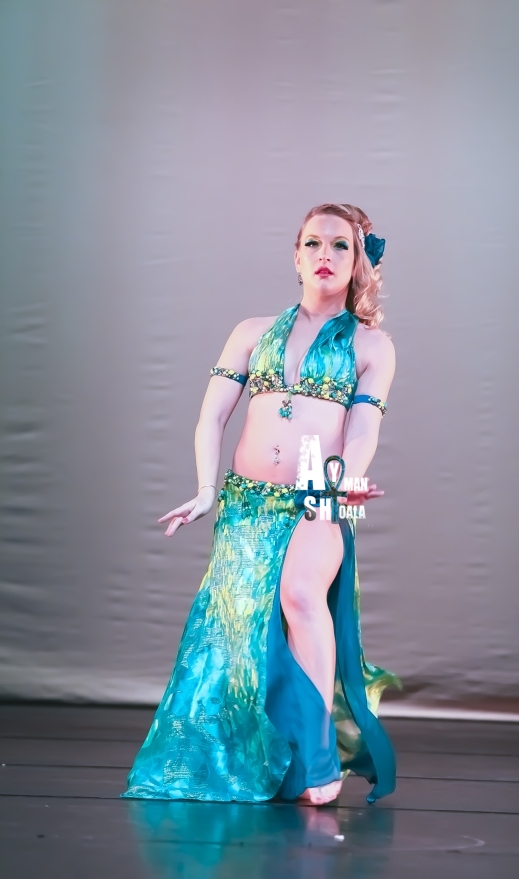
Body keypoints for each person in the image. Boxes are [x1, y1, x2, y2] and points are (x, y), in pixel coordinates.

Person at [122, 203, 398, 807]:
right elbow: (211, 416)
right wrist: (205, 490)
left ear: (357, 262)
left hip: (318, 496)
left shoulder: (372, 345)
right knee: (238, 637)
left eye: (341, 246)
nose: (325, 255)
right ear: (295, 256)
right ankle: (274, 759)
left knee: (300, 594)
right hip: (246, 504)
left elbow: (362, 432)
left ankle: (321, 763)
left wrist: (342, 485)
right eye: (313, 243)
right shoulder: (251, 332)